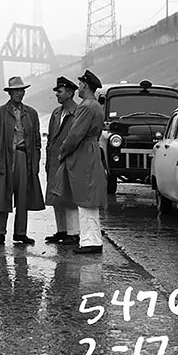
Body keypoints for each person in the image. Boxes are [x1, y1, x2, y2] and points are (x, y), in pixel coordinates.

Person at [48, 69, 106, 253]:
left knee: (84, 197)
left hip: (83, 153)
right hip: (92, 150)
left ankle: (90, 241)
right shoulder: (96, 105)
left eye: (80, 85)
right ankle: (91, 238)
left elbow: (75, 135)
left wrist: (63, 151)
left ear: (85, 86)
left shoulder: (85, 107)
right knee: (89, 196)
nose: (79, 87)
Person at [0, 75, 45, 246]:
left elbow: (37, 140)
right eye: (16, 90)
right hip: (5, 158)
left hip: (23, 156)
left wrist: (35, 160)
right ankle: (0, 233)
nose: (20, 93)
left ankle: (20, 233)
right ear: (9, 93)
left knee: (23, 197)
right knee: (2, 197)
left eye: (22, 90)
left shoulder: (31, 113)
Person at [44, 75, 80, 245]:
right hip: (54, 160)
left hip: (69, 160)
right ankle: (61, 231)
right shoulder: (56, 113)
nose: (57, 94)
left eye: (59, 91)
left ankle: (74, 233)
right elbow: (51, 138)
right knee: (56, 197)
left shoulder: (78, 112)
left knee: (70, 197)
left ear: (70, 93)